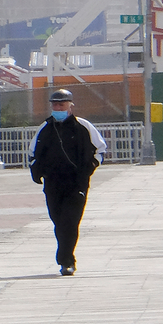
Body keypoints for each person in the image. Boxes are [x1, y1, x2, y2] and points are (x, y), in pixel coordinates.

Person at [29, 88, 106, 276]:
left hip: (76, 184)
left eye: (61, 104)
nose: (57, 107)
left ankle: (66, 261)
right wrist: (37, 172)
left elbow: (100, 150)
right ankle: (66, 255)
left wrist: (88, 169)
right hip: (53, 184)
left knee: (69, 222)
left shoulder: (84, 126)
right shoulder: (45, 128)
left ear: (70, 106)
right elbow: (32, 153)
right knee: (58, 222)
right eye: (54, 105)